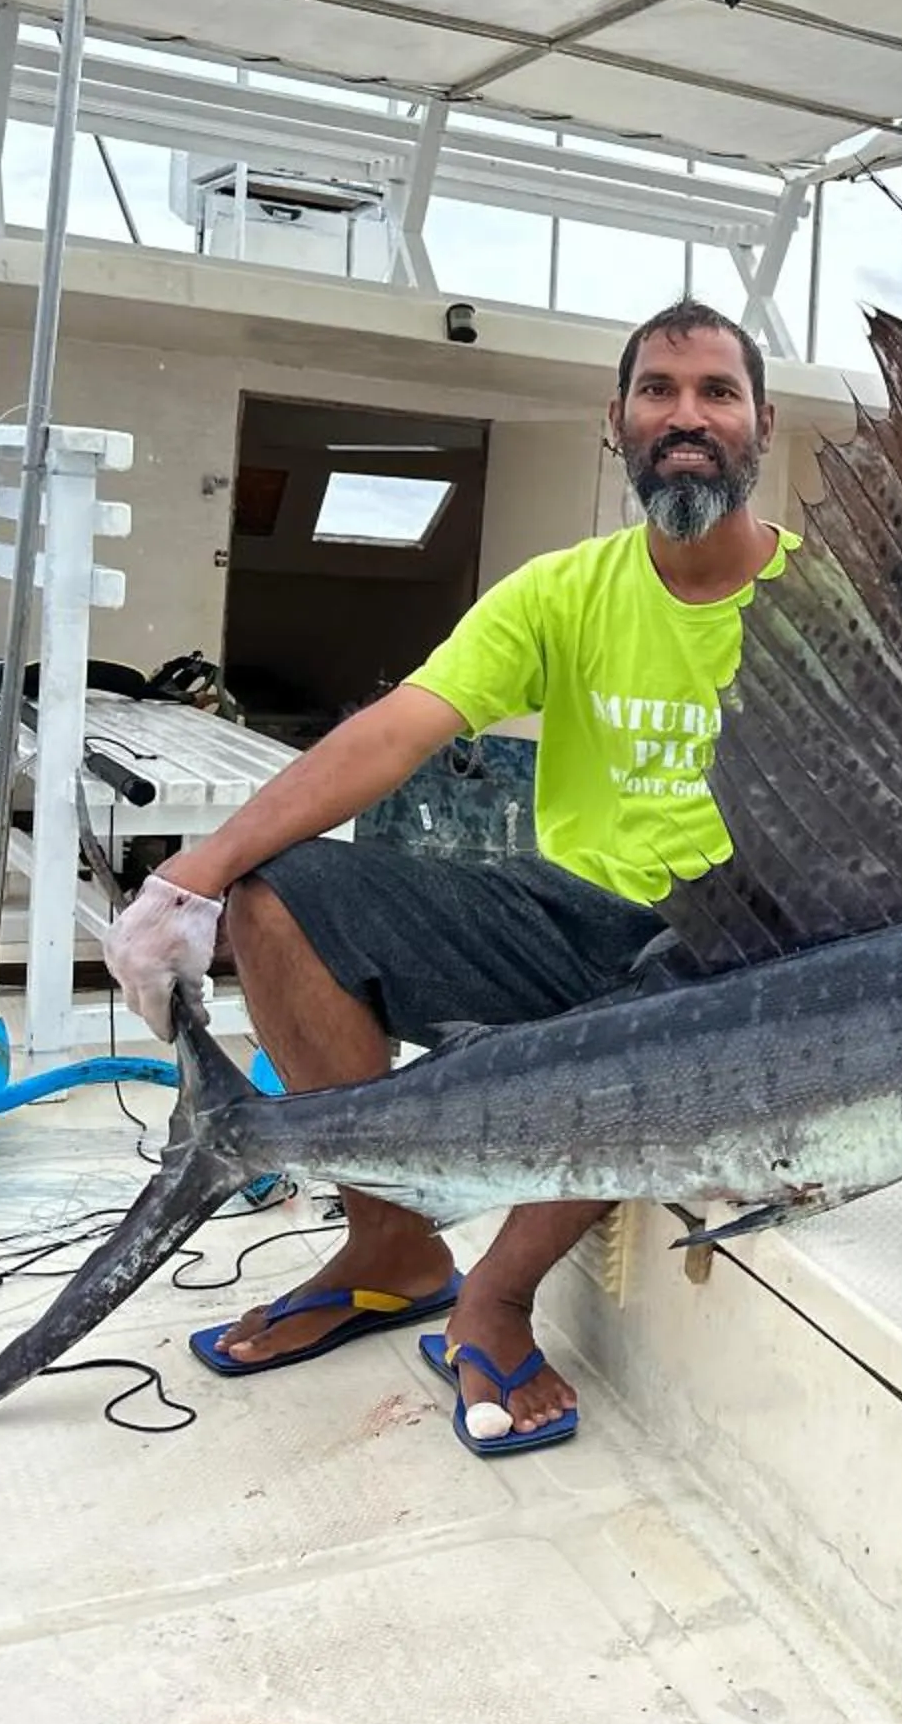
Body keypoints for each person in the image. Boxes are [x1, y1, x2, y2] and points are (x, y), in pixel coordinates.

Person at [99, 300, 790, 1453]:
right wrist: (196, 878)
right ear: (613, 420)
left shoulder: (824, 602)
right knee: (280, 892)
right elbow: (399, 730)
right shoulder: (564, 587)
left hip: (743, 963)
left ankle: (498, 1294)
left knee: (675, 996)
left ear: (762, 424)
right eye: (659, 390)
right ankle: (389, 1248)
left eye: (717, 392)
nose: (687, 416)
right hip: (567, 923)